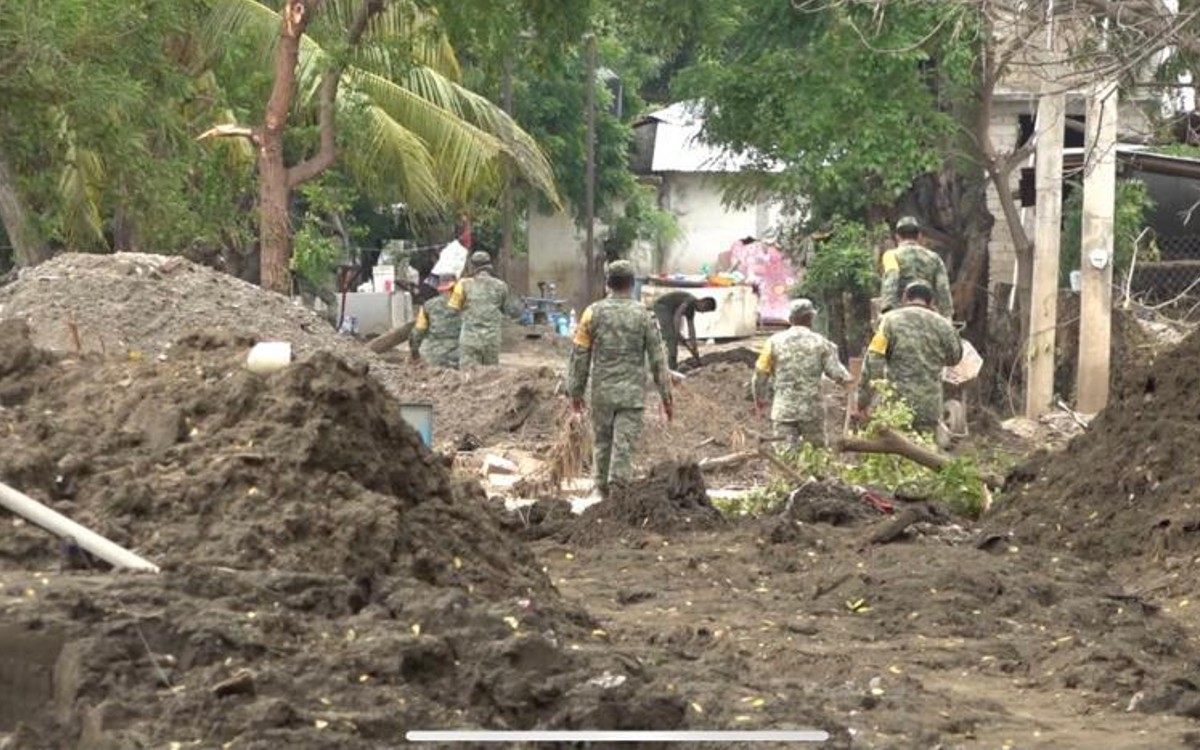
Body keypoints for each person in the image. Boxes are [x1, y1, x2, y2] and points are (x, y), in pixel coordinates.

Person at [567, 260, 673, 498]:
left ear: (608, 283)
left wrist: (575, 393)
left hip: (601, 395)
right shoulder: (644, 315)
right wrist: (667, 398)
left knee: (601, 445)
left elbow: (579, 356)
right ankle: (618, 494)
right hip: (631, 397)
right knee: (623, 448)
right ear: (632, 284)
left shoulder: (591, 313)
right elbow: (658, 359)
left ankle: (600, 492)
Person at [857, 280, 963, 433]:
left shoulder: (889, 321)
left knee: (894, 445)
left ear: (905, 298)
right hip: (929, 408)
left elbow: (874, 360)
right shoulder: (943, 325)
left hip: (896, 405)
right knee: (925, 446)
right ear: (931, 302)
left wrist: (863, 400)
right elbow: (955, 357)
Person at [752, 298, 851, 448]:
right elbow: (837, 373)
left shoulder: (773, 342)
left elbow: (760, 374)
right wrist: (852, 386)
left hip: (784, 411)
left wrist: (759, 399)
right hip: (812, 412)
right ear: (811, 318)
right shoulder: (821, 343)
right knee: (816, 454)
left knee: (784, 456)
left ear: (790, 319)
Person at [448, 250, 516, 366]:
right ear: (489, 265)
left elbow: (453, 309)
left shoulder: (463, 284)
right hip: (491, 340)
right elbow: (508, 310)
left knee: (468, 373)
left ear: (472, 266)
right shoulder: (501, 286)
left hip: (469, 340)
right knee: (490, 374)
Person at [879, 216, 954, 317]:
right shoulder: (935, 258)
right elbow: (943, 287)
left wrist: (888, 310)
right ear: (919, 236)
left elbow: (892, 279)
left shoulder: (891, 255)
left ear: (897, 237)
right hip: (928, 311)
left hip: (902, 311)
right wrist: (947, 315)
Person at [652, 290, 718, 370]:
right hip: (662, 306)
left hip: (671, 310)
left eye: (705, 311)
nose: (702, 312)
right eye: (704, 309)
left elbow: (691, 329)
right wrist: (677, 332)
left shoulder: (691, 311)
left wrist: (694, 347)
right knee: (671, 338)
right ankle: (670, 366)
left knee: (673, 338)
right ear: (702, 301)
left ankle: (671, 364)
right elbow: (678, 315)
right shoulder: (690, 300)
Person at [410, 275, 462, 368]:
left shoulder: (428, 305)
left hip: (434, 357)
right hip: (460, 356)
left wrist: (414, 353)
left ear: (439, 289)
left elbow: (417, 332)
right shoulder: (465, 304)